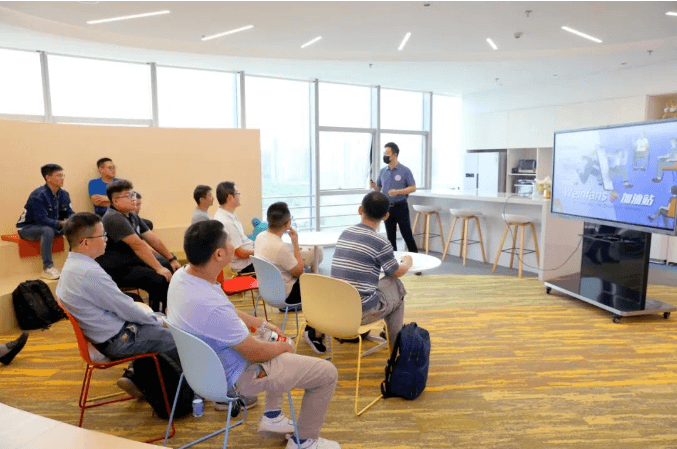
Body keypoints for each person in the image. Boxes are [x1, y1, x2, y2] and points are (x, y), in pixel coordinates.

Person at [167, 220, 339, 449]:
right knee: (326, 372)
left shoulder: (182, 277)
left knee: (275, 338)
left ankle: (272, 416)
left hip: (203, 370)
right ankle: (304, 442)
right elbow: (254, 352)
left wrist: (261, 324)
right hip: (236, 378)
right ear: (219, 254)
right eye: (229, 241)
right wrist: (284, 346)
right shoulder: (211, 305)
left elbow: (227, 311)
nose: (234, 245)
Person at [56, 212, 179, 398]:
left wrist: (154, 319)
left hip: (108, 336)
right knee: (179, 339)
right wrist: (156, 321)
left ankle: (141, 381)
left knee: (153, 317)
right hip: (118, 340)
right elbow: (124, 308)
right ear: (85, 242)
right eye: (102, 235)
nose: (106, 240)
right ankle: (182, 395)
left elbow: (120, 305)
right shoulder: (88, 272)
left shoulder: (72, 266)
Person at [331, 191, 412, 351]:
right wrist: (407, 262)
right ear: (386, 216)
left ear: (360, 210)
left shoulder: (346, 233)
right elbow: (396, 272)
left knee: (386, 284)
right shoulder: (381, 242)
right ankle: (395, 348)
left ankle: (388, 335)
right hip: (358, 313)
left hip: (335, 308)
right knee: (397, 287)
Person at [96, 180, 181, 312]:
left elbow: (153, 239)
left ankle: (160, 311)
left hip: (131, 262)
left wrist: (172, 258)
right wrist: (159, 268)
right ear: (116, 201)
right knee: (159, 279)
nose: (133, 199)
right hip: (117, 269)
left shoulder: (132, 215)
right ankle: (157, 316)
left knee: (168, 265)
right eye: (128, 195)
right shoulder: (114, 218)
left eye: (133, 195)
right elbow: (138, 246)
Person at [254, 202, 325, 354]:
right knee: (320, 287)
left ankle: (314, 328)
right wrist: (295, 243)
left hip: (267, 291)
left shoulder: (260, 237)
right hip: (286, 294)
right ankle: (314, 334)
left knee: (312, 281)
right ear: (287, 224)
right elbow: (299, 271)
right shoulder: (279, 247)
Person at [17, 163, 75, 280]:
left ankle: (76, 264)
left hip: (52, 226)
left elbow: (70, 213)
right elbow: (41, 220)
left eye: (62, 175)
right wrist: (61, 223)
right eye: (58, 175)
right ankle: (47, 268)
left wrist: (75, 220)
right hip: (28, 228)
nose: (62, 178)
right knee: (47, 230)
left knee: (77, 226)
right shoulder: (38, 195)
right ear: (48, 178)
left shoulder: (64, 194)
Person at [370, 142, 418, 253]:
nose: (385, 156)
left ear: (394, 154)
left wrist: (397, 192)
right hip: (387, 208)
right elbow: (378, 188)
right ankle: (392, 260)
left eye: (387, 153)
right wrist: (374, 186)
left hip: (401, 207)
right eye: (384, 153)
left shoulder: (405, 170)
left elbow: (413, 187)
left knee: (406, 234)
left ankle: (416, 258)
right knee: (390, 237)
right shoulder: (382, 171)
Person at [213, 182, 255, 274]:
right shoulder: (226, 222)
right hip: (245, 266)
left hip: (249, 257)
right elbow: (241, 253)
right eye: (237, 193)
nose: (239, 196)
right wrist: (259, 251)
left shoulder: (229, 214)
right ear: (230, 197)